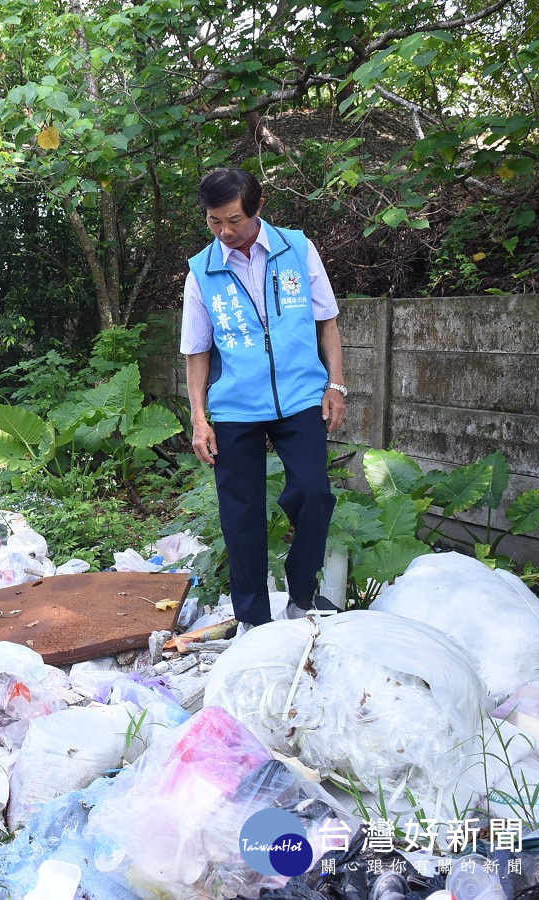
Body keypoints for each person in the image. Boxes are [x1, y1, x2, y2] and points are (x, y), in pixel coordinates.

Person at [180, 168, 347, 632]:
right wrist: (199, 417)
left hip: (300, 398)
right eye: (214, 222)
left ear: (258, 206)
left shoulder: (297, 247)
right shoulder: (202, 271)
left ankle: (301, 595)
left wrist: (336, 385)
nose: (225, 232)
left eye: (233, 220)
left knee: (314, 493)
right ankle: (252, 618)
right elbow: (196, 351)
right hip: (235, 408)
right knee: (241, 513)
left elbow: (326, 320)